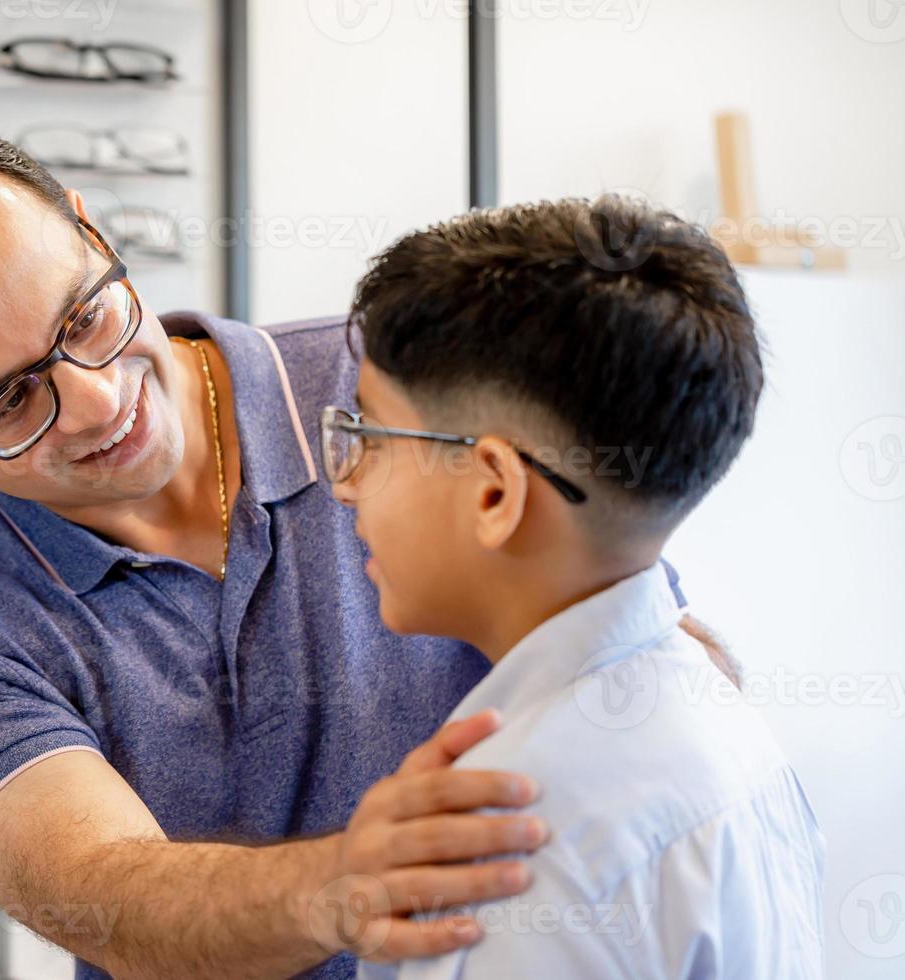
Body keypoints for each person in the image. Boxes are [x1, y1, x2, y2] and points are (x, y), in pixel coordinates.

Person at [0, 112, 699, 978]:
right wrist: (342, 886)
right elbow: (98, 890)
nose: (99, 401)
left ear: (92, 236)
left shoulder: (395, 386)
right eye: (9, 401)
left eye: (83, 319)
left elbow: (625, 642)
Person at [321, 198, 825, 977]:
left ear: (493, 491)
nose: (347, 483)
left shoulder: (506, 833)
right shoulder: (717, 717)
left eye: (371, 435)